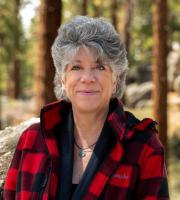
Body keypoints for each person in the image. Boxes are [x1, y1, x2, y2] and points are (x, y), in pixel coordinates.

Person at [3, 16, 169, 200]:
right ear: (63, 79)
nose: (87, 78)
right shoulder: (32, 140)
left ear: (115, 79)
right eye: (76, 67)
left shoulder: (144, 147)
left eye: (99, 67)